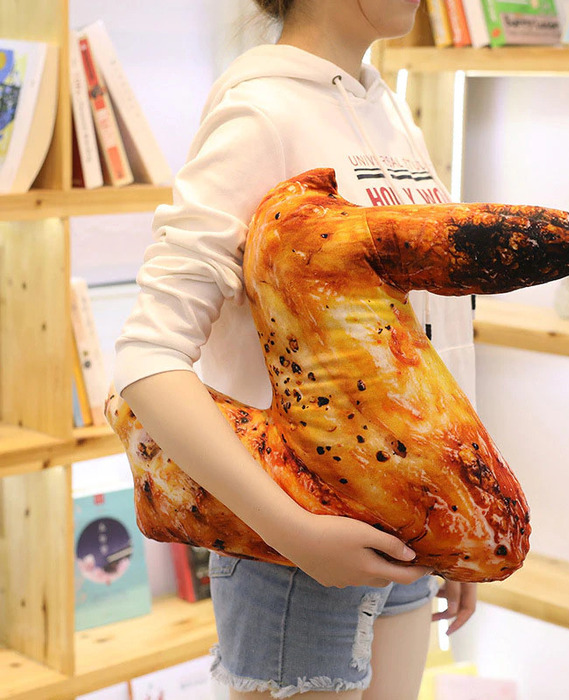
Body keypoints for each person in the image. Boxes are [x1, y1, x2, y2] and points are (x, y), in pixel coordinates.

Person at [113, 1, 477, 697]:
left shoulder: (387, 111)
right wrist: (293, 531)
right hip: (294, 559)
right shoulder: (261, 114)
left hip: (406, 530)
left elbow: (427, 332)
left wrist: (461, 515)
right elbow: (146, 355)